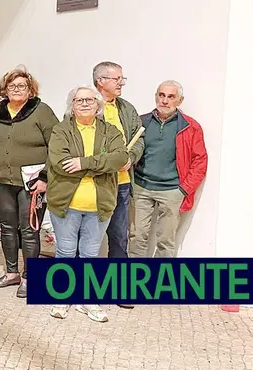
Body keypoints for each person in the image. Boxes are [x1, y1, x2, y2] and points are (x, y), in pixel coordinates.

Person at [47, 85, 128, 323]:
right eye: (78, 100)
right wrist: (101, 165)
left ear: (98, 104)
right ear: (71, 105)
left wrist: (84, 163)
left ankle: (88, 300)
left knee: (90, 254)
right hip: (66, 203)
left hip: (100, 204)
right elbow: (59, 162)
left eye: (89, 100)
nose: (84, 104)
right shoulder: (61, 130)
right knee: (65, 252)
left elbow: (121, 158)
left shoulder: (110, 131)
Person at [0, 66, 58, 298]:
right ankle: (11, 273)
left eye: (22, 86)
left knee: (29, 230)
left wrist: (46, 178)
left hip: (32, 184)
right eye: (12, 86)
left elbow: (56, 146)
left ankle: (29, 277)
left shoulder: (42, 111)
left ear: (30, 90)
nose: (16, 90)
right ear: (4, 90)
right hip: (5, 182)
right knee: (7, 229)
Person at [130, 80, 207, 258]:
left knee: (166, 240)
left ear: (180, 100)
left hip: (172, 190)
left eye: (171, 97)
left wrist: (183, 189)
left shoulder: (190, 127)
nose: (164, 100)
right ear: (156, 96)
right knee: (137, 237)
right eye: (161, 95)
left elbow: (200, 160)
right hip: (141, 188)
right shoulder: (141, 122)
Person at [93, 62, 144, 308]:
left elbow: (139, 139)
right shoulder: (86, 104)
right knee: (88, 237)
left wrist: (130, 159)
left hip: (121, 184)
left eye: (123, 79)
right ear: (100, 81)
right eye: (117, 79)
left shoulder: (128, 108)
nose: (121, 83)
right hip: (93, 183)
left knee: (119, 237)